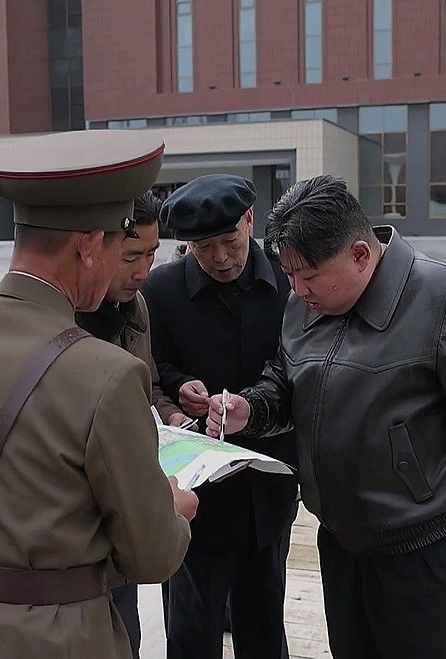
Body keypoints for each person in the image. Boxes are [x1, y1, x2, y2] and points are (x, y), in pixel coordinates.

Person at [0, 129, 198, 658]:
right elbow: (152, 556)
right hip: (55, 639)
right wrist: (176, 509)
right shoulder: (107, 375)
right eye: (121, 247)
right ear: (90, 245)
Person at [206, 175, 446, 659]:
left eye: (309, 276)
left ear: (361, 254)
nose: (296, 289)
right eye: (290, 274)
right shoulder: (303, 303)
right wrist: (249, 410)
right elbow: (286, 376)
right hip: (343, 546)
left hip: (433, 550)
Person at [143, 173, 297, 659]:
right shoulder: (160, 290)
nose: (221, 258)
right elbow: (152, 368)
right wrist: (177, 391)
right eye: (203, 248)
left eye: (230, 242)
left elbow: (296, 366)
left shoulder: (285, 283)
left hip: (267, 488)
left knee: (265, 624)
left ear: (250, 221)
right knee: (192, 630)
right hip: (195, 494)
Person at [74, 190, 194, 657]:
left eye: (151, 254)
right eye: (130, 257)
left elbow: (146, 393)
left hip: (128, 513)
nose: (143, 271)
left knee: (128, 636)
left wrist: (170, 413)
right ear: (95, 247)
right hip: (79, 529)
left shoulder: (137, 308)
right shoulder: (64, 317)